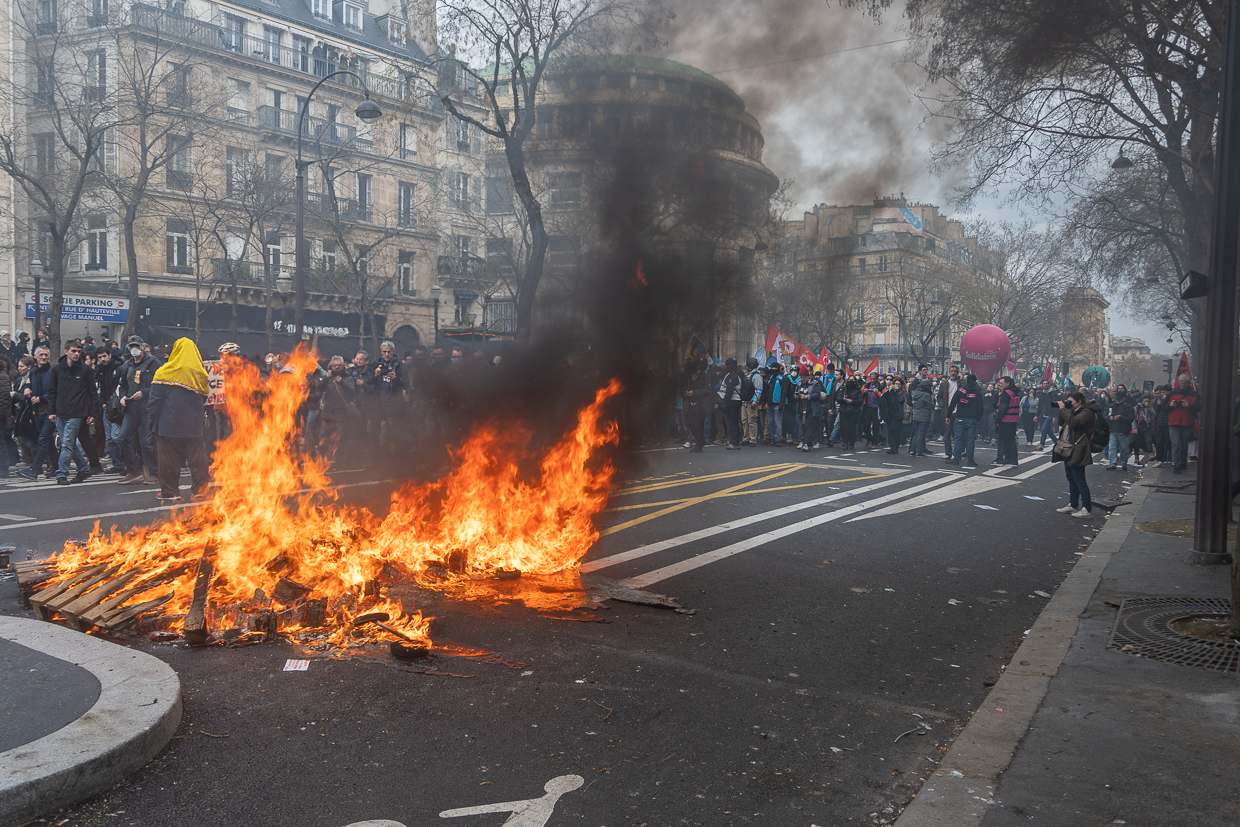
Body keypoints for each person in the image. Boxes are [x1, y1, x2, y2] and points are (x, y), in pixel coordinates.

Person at [146, 338, 211, 503]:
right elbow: (203, 399)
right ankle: (200, 490)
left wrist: (151, 423)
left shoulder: (164, 372)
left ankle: (170, 492)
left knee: (168, 461)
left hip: (169, 425)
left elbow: (154, 402)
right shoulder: (200, 374)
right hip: (194, 425)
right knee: (197, 459)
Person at [45, 339, 97, 485]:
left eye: (79, 351)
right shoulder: (56, 369)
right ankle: (83, 469)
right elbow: (52, 391)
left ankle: (61, 473)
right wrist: (51, 411)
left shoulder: (85, 370)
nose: (76, 354)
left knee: (67, 444)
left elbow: (92, 392)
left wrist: (92, 412)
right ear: (66, 351)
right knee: (70, 444)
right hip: (61, 412)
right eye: (73, 351)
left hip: (77, 413)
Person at [117, 336, 161, 485]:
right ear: (128, 348)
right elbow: (122, 385)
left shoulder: (154, 363)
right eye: (131, 346)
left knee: (149, 442)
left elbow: (160, 384)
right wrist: (122, 397)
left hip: (148, 408)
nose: (134, 349)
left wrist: (144, 392)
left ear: (142, 347)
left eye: (137, 346)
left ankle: (154, 472)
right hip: (132, 409)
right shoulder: (126, 366)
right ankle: (133, 470)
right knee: (122, 438)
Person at [1052, 391, 1101, 518]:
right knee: (1071, 478)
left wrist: (1064, 410)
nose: (1069, 403)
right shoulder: (1072, 411)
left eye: (1071, 401)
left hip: (1078, 448)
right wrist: (1063, 410)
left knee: (1079, 479)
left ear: (1079, 401)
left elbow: (1074, 422)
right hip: (1068, 448)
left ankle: (1087, 508)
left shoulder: (1087, 412)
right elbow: (1061, 423)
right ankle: (1073, 504)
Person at [17, 346, 55, 480]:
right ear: (35, 356)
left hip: (50, 411)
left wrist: (41, 398)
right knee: (49, 441)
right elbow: (29, 384)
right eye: (41, 355)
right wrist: (27, 389)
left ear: (49, 357)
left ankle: (35, 470)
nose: (43, 357)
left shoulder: (52, 371)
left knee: (43, 439)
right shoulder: (33, 372)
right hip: (37, 412)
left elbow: (55, 391)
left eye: (46, 355)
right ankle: (56, 468)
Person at [947, 372, 982, 469]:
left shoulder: (960, 390)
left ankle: (956, 458)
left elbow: (953, 403)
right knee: (970, 440)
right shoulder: (977, 392)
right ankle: (970, 459)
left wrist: (948, 416)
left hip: (960, 417)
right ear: (975, 382)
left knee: (958, 438)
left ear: (966, 381)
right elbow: (980, 407)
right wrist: (978, 419)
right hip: (972, 418)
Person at [1167, 375, 1199, 474]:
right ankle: (1176, 465)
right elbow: (1163, 407)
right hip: (1174, 422)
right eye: (1181, 382)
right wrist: (1170, 405)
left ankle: (1182, 462)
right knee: (1176, 444)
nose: (1182, 384)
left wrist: (1189, 406)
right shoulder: (1172, 394)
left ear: (1188, 383)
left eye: (1184, 383)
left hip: (1186, 422)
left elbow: (1199, 408)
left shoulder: (1194, 395)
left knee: (1184, 444)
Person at [680, 358, 710, 452]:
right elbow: (682, 386)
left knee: (699, 424)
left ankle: (698, 445)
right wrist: (685, 394)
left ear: (698, 365)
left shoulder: (703, 376)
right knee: (689, 422)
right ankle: (700, 440)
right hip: (690, 402)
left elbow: (708, 390)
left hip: (700, 403)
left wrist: (694, 393)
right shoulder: (688, 377)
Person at [1103, 387, 1136, 471]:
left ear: (1123, 398)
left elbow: (1130, 418)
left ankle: (1124, 462)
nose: (1117, 400)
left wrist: (1120, 418)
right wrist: (1109, 418)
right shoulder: (1111, 406)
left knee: (1124, 448)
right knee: (1112, 448)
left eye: (1119, 399)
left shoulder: (1128, 407)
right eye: (1116, 399)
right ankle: (1112, 463)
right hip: (1113, 430)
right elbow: (1104, 416)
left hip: (1123, 431)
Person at [994, 375, 1022, 465]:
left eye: (1002, 383)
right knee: (1011, 440)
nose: (1000, 385)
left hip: (1006, 419)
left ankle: (1007, 458)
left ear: (1007, 383)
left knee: (1005, 440)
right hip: (1013, 419)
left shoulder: (1007, 393)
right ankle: (1014, 459)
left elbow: (1003, 407)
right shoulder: (1016, 393)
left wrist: (998, 420)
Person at [718, 357, 744, 450]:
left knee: (732, 423)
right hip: (735, 401)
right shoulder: (736, 374)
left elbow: (729, 390)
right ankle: (736, 441)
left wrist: (725, 402)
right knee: (734, 423)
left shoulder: (732, 375)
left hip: (732, 401)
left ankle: (734, 442)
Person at [936, 365, 960, 458]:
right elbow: (939, 397)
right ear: (949, 372)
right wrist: (942, 405)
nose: (953, 373)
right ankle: (948, 453)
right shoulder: (944, 384)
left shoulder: (960, 383)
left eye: (955, 371)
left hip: (958, 411)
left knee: (958, 434)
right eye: (952, 371)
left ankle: (958, 452)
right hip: (947, 411)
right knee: (947, 433)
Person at [880, 376, 907, 454]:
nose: (897, 385)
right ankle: (892, 446)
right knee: (890, 430)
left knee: (897, 431)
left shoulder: (903, 392)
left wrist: (896, 392)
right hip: (891, 413)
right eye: (895, 384)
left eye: (898, 384)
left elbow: (900, 400)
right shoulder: (890, 392)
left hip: (898, 414)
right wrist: (890, 390)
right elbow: (883, 398)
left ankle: (896, 446)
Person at [741, 357, 764, 446]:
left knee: (752, 421)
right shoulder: (748, 374)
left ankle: (753, 439)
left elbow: (759, 390)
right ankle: (746, 438)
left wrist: (755, 402)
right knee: (744, 420)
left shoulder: (756, 376)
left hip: (751, 402)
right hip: (744, 401)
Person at [909, 378, 933, 457]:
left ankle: (912, 449)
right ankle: (919, 451)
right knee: (921, 434)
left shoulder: (914, 393)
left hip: (916, 415)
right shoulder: (926, 395)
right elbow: (930, 405)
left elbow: (913, 402)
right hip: (924, 415)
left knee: (916, 434)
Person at [1035, 380, 1063, 450]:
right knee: (1048, 430)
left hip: (1050, 414)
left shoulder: (1053, 394)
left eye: (1046, 383)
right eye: (1044, 384)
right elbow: (1040, 405)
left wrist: (1054, 416)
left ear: (1049, 384)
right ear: (1042, 385)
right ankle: (1056, 442)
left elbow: (1055, 405)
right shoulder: (1042, 394)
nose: (1045, 385)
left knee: (1044, 429)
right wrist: (1036, 415)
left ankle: (1041, 445)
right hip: (1043, 414)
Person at [837, 376, 863, 449]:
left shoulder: (858, 389)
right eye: (850, 379)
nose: (851, 381)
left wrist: (852, 401)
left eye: (853, 380)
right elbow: (838, 398)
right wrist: (843, 399)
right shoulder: (844, 388)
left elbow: (860, 401)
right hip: (844, 410)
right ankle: (845, 443)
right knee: (844, 427)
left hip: (853, 411)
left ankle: (851, 442)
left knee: (851, 428)